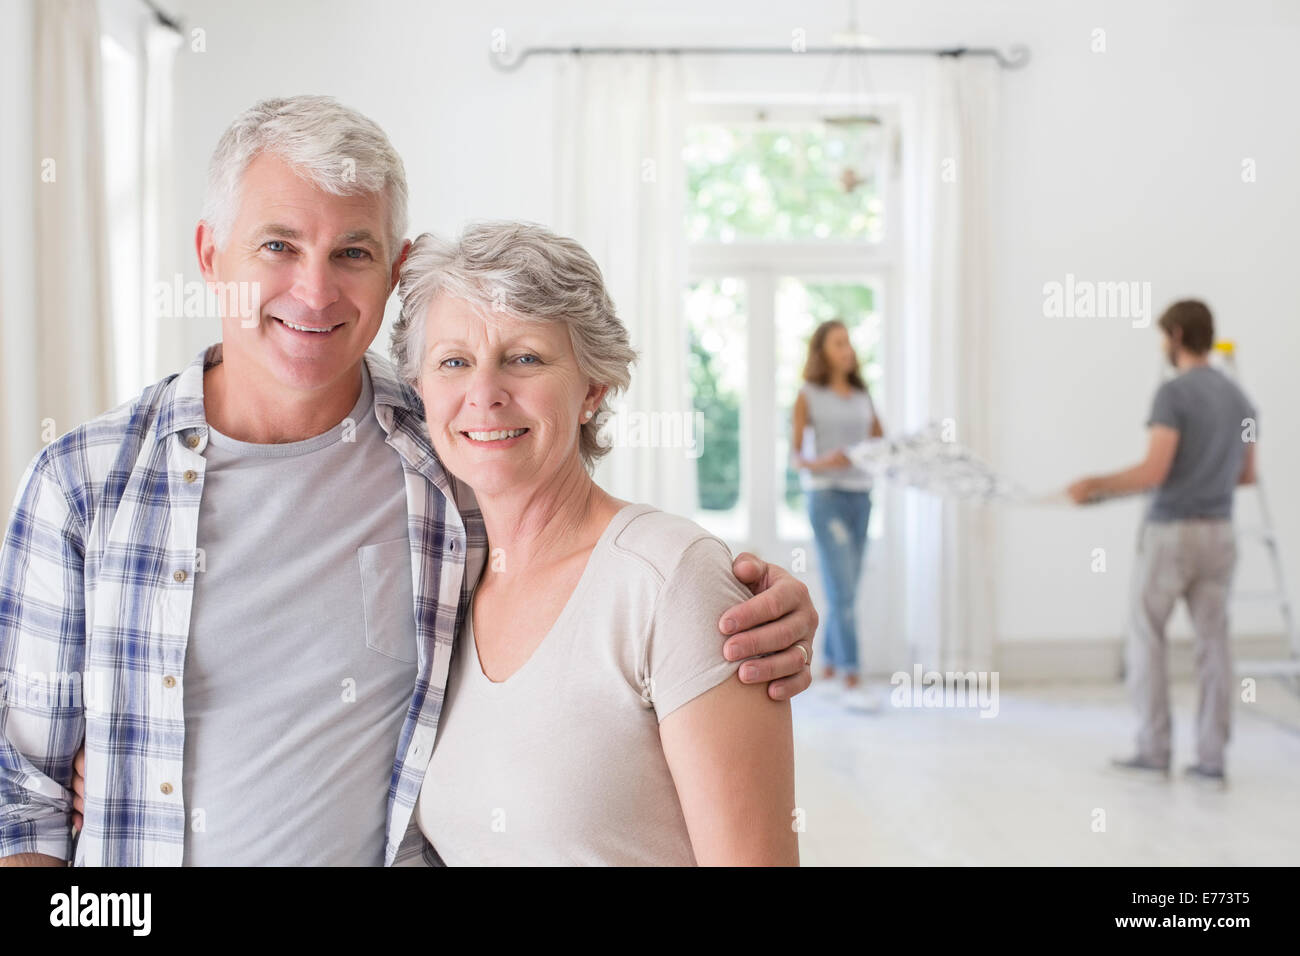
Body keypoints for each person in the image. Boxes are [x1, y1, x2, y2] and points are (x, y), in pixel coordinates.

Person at [0, 96, 818, 867]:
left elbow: (593, 561)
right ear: (212, 255)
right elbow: (24, 794)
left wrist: (742, 598)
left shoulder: (446, 454)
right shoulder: (85, 484)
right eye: (278, 245)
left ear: (392, 271)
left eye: (351, 252)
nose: (314, 290)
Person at [395, 223, 798, 864]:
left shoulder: (669, 580)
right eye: (453, 362)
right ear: (420, 390)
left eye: (525, 357)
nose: (485, 394)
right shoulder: (445, 581)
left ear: (592, 389)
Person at [1068, 300, 1257, 789]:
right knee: (1214, 645)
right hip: (1220, 533)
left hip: (1172, 532)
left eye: (1162, 336)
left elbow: (1154, 471)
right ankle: (1212, 761)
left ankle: (1154, 752)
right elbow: (1248, 474)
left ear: (1175, 335)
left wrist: (1096, 483)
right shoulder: (1240, 400)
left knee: (1148, 639)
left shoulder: (1171, 396)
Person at [792, 320, 885, 712]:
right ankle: (852, 676)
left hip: (860, 497)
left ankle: (828, 669)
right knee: (843, 591)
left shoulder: (863, 395)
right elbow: (796, 457)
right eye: (838, 343)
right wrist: (824, 462)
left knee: (844, 591)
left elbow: (883, 442)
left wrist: (870, 454)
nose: (846, 349)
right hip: (826, 496)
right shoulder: (808, 395)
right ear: (823, 351)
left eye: (849, 343)